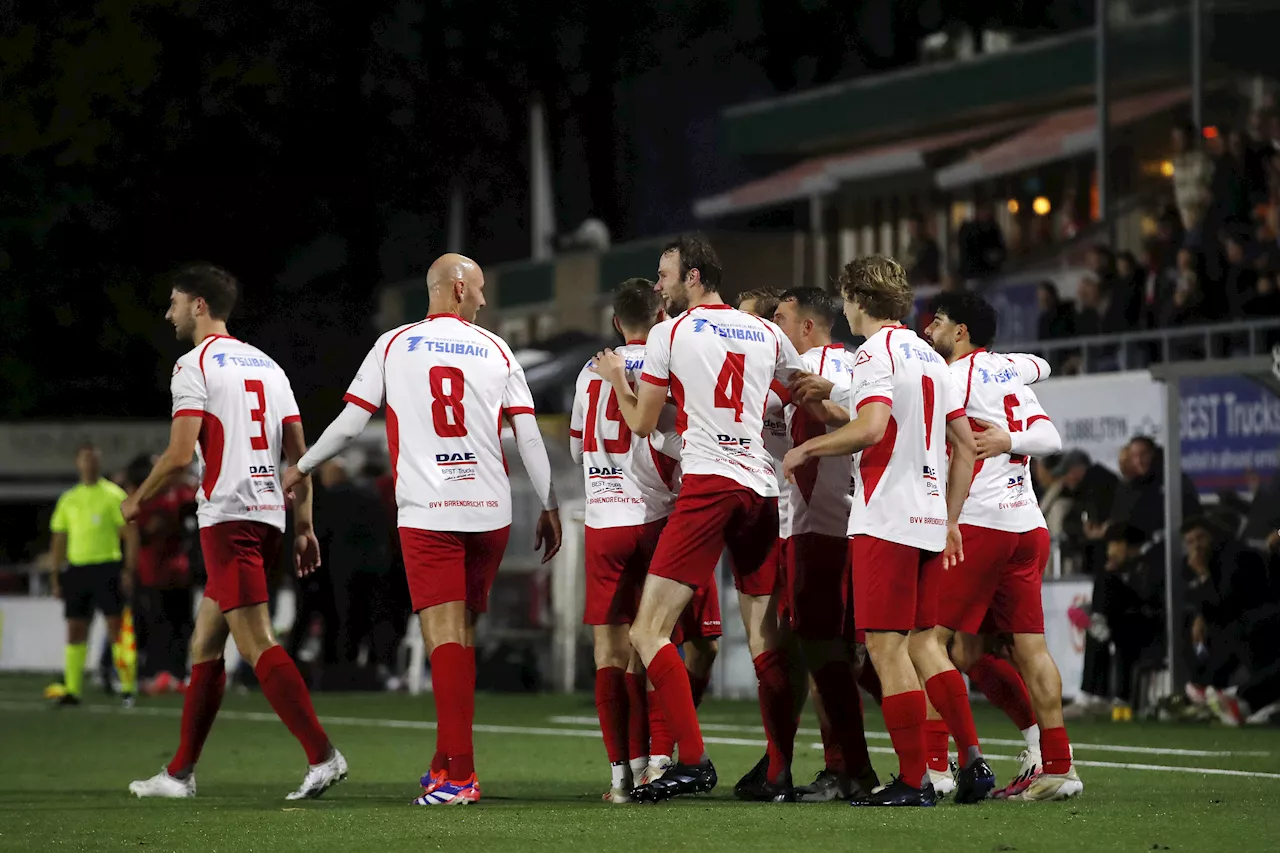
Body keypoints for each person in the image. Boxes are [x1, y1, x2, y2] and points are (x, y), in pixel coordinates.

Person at [283, 253, 562, 806]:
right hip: (491, 511)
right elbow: (528, 439)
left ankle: (461, 776)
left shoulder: (393, 344)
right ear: (458, 288)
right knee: (461, 637)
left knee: (443, 640)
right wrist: (549, 505)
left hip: (431, 510)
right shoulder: (498, 349)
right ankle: (444, 763)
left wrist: (303, 465)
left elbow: (349, 426)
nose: (484, 300)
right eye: (479, 289)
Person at [590, 233, 805, 802]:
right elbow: (806, 390)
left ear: (692, 276)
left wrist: (616, 379)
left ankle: (691, 759)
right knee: (765, 639)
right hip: (760, 485)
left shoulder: (671, 332)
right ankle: (780, 772)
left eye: (664, 275)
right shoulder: (765, 330)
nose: (658, 286)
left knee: (647, 630)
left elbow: (642, 423)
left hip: (709, 484)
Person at [126, 263, 344, 801]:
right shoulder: (270, 366)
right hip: (268, 516)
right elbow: (302, 457)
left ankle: (323, 755)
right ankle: (179, 774)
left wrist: (138, 498)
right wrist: (304, 525)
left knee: (256, 642)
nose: (169, 312)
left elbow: (180, 455)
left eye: (175, 302)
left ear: (199, 305)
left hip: (229, 517)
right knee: (205, 643)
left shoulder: (192, 364)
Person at [783, 254, 981, 808]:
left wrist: (806, 448)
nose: (843, 307)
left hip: (886, 518)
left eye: (845, 297)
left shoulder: (873, 352)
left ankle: (915, 780)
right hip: (925, 520)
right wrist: (951, 517)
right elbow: (964, 447)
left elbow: (872, 430)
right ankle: (961, 762)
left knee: (885, 650)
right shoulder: (931, 357)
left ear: (857, 300)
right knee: (918, 645)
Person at [924, 291, 1084, 802]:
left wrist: (998, 441)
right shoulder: (1010, 372)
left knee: (925, 642)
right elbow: (1051, 432)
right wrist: (1013, 437)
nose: (930, 329)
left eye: (940, 321)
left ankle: (933, 765)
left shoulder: (951, 375)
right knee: (990, 650)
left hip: (979, 524)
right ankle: (1054, 762)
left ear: (962, 332)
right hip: (1026, 525)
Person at [569, 277, 721, 803]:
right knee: (658, 640)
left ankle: (620, 778)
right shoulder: (667, 369)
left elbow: (575, 448)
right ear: (662, 318)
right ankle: (660, 762)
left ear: (616, 322)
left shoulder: (590, 373)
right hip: (658, 518)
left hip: (603, 521)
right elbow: (683, 443)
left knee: (609, 652)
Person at [769, 286, 877, 801]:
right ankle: (924, 752)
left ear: (807, 327)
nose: (774, 326)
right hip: (849, 524)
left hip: (815, 527)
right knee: (855, 656)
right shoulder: (861, 364)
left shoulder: (805, 371)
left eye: (781, 317)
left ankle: (851, 767)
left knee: (824, 654)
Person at [45, 443, 140, 707]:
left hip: (107, 568)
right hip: (77, 570)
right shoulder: (69, 499)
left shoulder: (112, 495)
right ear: (78, 463)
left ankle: (127, 688)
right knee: (75, 630)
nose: (90, 464)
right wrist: (55, 575)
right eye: (86, 460)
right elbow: (59, 539)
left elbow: (130, 535)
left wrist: (128, 570)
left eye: (94, 460)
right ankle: (72, 690)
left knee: (116, 629)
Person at [123, 453, 197, 692]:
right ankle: (155, 674)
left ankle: (176, 674)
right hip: (153, 573)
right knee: (157, 626)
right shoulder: (144, 500)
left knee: (183, 626)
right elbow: (136, 535)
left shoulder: (182, 494)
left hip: (180, 572)